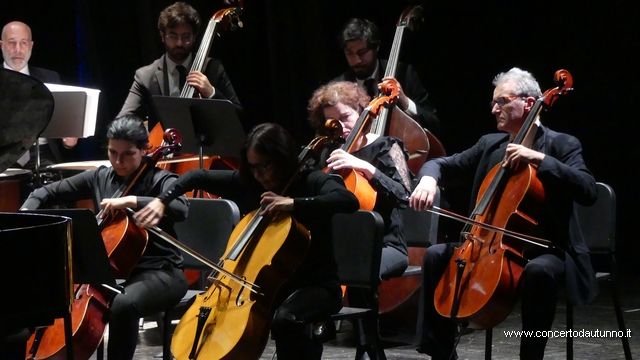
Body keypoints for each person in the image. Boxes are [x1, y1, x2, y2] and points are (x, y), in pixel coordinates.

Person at [410, 67, 598, 360]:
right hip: (493, 246)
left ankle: (530, 355)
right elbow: (442, 164)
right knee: (436, 255)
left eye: (502, 101)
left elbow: (588, 190)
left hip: (549, 250)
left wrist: (540, 159)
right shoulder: (490, 145)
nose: (495, 108)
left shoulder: (562, 145)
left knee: (538, 271)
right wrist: (428, 179)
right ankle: (440, 352)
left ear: (529, 102)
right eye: (493, 103)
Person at [134, 122, 360, 359]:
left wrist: (293, 203)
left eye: (265, 166)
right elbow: (194, 176)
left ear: (282, 158)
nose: (259, 174)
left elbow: (347, 200)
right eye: (253, 167)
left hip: (317, 286)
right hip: (266, 287)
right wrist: (162, 200)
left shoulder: (312, 181)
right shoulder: (250, 183)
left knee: (285, 319)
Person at [20, 116, 190, 360]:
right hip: (109, 272)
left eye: (128, 154)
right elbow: (44, 193)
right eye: (113, 152)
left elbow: (182, 207)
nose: (118, 161)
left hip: (162, 271)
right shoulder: (100, 177)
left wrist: (133, 201)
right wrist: (26, 215)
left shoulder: (160, 180)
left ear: (144, 150)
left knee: (123, 305)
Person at [308, 80, 411, 280]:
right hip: (340, 246)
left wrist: (366, 167)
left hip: (385, 245)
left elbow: (404, 195)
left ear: (361, 111)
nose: (341, 126)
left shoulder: (388, 147)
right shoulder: (329, 154)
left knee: (352, 269)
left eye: (345, 117)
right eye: (332, 122)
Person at [118, 1, 243, 130]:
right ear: (162, 36)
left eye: (186, 36)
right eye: (173, 36)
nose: (179, 43)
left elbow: (239, 115)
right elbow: (123, 119)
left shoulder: (214, 68)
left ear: (194, 36)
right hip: (163, 148)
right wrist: (146, 132)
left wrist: (212, 93)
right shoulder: (145, 76)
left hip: (205, 148)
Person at [334, 18, 439, 134]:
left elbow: (433, 124)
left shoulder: (404, 73)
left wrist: (405, 102)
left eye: (362, 52)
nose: (356, 60)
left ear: (376, 47)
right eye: (349, 53)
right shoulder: (337, 88)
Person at [1, 21, 77, 170]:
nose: (18, 49)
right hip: (3, 154)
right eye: (11, 43)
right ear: (2, 45)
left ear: (31, 46)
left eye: (23, 43)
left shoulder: (51, 78)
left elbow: (65, 125)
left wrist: (69, 139)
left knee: (59, 186)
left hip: (43, 155)